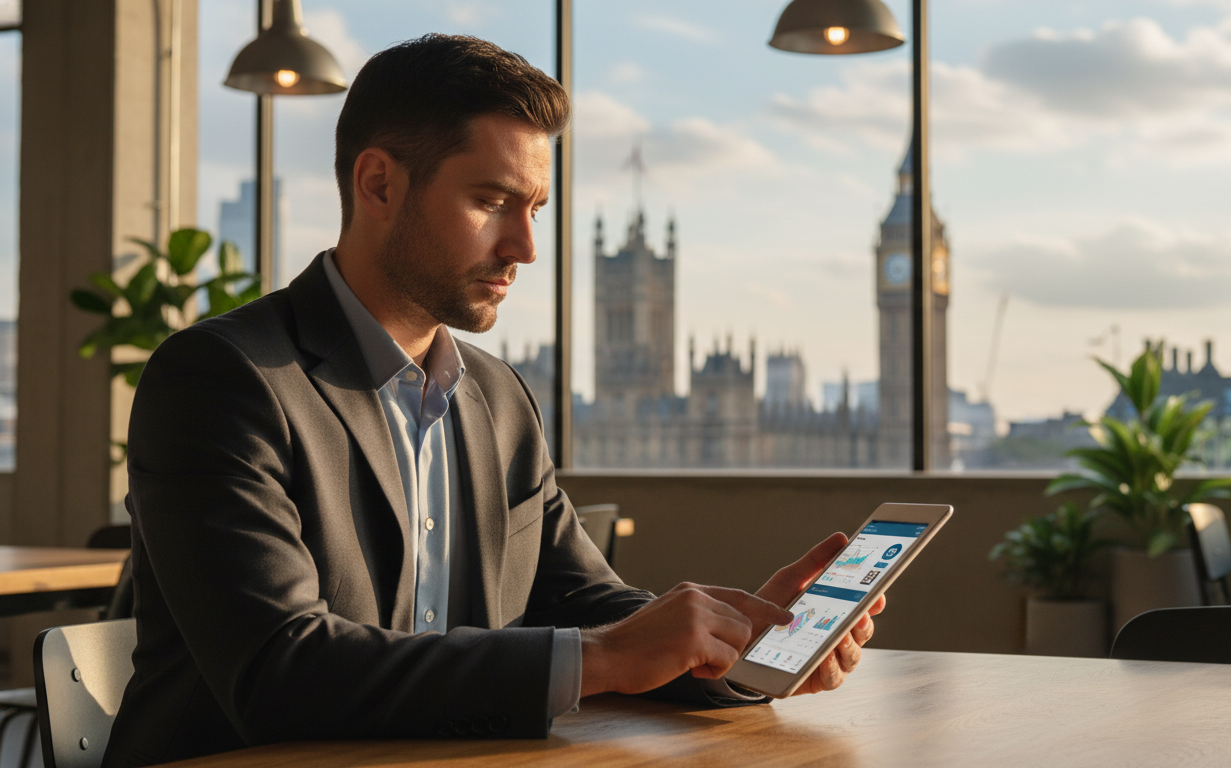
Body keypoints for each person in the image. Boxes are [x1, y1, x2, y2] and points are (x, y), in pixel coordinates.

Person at [103, 34, 884, 768]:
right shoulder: (222, 378)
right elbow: (279, 671)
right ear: (378, 184)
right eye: (491, 201)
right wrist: (607, 658)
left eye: (534, 210)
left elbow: (583, 603)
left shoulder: (498, 396)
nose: (525, 248)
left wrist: (735, 647)